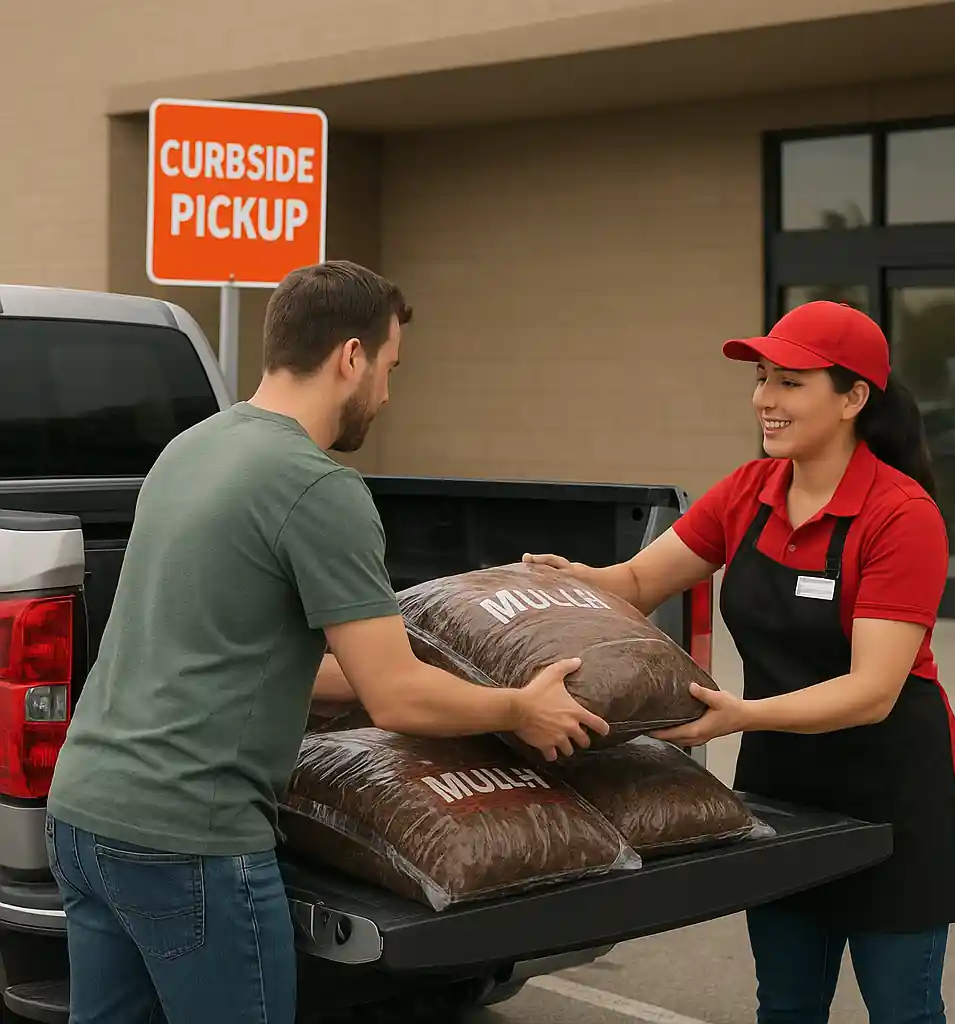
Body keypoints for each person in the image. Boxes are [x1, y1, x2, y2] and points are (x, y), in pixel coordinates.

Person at [45, 260, 608, 1024]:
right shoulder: (317, 487)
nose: (386, 392)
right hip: (190, 841)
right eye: (389, 367)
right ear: (351, 356)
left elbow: (248, 659)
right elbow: (395, 695)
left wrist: (449, 680)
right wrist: (517, 708)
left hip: (84, 816)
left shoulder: (190, 449)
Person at [524, 300, 955, 1024]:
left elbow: (872, 691)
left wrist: (737, 716)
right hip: (784, 784)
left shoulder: (901, 515)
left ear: (854, 397)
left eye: (791, 383)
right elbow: (640, 582)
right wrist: (569, 576)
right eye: (763, 378)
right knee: (787, 1004)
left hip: (898, 796)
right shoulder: (749, 492)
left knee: (903, 1009)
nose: (764, 398)